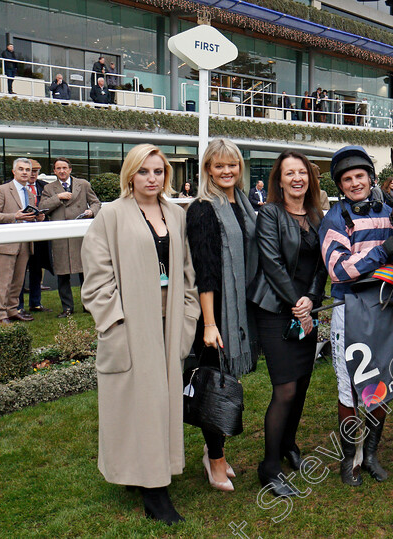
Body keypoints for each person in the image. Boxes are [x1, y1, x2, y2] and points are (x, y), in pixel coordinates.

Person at [81, 144, 199, 525]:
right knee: (138, 405)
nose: (153, 178)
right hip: (132, 322)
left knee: (162, 402)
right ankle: (153, 491)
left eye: (159, 171)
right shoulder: (111, 215)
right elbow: (97, 278)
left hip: (168, 322)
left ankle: (151, 471)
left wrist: (188, 316)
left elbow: (186, 273)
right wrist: (115, 321)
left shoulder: (175, 214)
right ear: (130, 174)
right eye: (145, 171)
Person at [248, 150, 327, 496]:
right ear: (279, 180)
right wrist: (297, 304)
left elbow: (323, 262)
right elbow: (272, 263)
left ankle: (288, 445)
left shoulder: (316, 214)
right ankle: (268, 467)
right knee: (285, 389)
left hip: (305, 308)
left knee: (303, 383)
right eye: (289, 173)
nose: (297, 178)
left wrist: (311, 298)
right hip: (275, 309)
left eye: (302, 173)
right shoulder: (270, 214)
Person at [319, 145, 393, 486]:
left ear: (371, 178)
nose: (354, 184)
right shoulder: (335, 219)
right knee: (350, 388)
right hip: (348, 310)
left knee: (381, 384)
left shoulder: (392, 213)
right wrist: (383, 252)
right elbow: (338, 270)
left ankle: (372, 454)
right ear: (341, 185)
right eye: (347, 179)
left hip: (384, 308)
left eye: (359, 177)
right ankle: (349, 458)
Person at [186, 138, 258, 493]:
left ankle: (214, 451)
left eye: (232, 164)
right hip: (213, 314)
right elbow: (206, 271)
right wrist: (211, 324)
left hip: (238, 308)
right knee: (215, 385)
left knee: (224, 382)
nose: (227, 171)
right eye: (219, 165)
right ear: (207, 170)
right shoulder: (202, 209)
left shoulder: (243, 203)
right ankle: (214, 459)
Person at [40, 158, 102, 318]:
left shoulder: (84, 184)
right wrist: (58, 197)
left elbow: (96, 203)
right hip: (60, 237)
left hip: (79, 235)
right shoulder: (49, 188)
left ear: (70, 169)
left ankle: (87, 305)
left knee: (85, 273)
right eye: (58, 168)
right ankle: (67, 308)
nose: (61, 171)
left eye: (64, 168)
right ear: (54, 171)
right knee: (63, 275)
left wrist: (91, 212)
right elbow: (42, 208)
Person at [0, 158, 44, 322]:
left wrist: (38, 217)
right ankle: (0, 314)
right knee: (4, 281)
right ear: (14, 171)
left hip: (25, 243)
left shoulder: (30, 194)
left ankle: (12, 310)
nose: (25, 172)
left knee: (18, 281)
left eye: (28, 170)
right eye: (21, 169)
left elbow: (29, 217)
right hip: (6, 243)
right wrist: (15, 216)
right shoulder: (1, 190)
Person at [18, 160, 53, 314]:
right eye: (29, 171)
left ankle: (36, 303)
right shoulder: (9, 187)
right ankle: (18, 306)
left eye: (35, 172)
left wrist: (42, 217)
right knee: (18, 272)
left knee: (36, 270)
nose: (32, 174)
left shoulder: (44, 186)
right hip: (19, 236)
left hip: (38, 236)